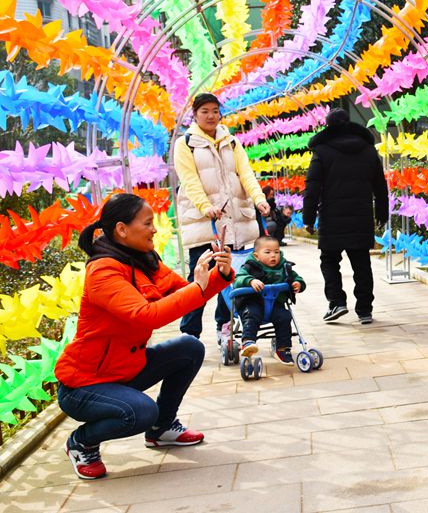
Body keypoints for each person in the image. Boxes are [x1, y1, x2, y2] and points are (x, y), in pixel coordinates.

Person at [55, 193, 234, 480]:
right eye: (148, 223)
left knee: (190, 346)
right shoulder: (103, 271)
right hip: (85, 385)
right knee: (140, 412)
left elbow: (186, 294)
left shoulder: (145, 260)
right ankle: (82, 442)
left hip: (125, 368)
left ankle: (161, 428)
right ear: (122, 229)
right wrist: (197, 286)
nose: (154, 229)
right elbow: (145, 314)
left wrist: (219, 274)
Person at [174, 93, 270, 339]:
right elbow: (189, 180)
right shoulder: (185, 144)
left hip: (235, 221)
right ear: (195, 114)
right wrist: (205, 207)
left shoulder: (232, 142)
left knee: (228, 276)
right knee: (200, 278)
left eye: (215, 111)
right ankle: (189, 333)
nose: (210, 116)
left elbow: (246, 174)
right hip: (205, 223)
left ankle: (224, 326)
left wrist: (259, 199)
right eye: (204, 111)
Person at [302, 108, 388, 325]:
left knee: (329, 261)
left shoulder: (322, 150)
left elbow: (312, 187)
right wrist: (382, 214)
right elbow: (380, 185)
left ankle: (337, 301)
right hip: (362, 216)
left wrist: (308, 218)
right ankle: (365, 310)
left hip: (332, 217)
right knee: (361, 263)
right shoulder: (368, 150)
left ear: (328, 126)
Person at [232, 236, 306, 365]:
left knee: (284, 316)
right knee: (251, 314)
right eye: (268, 252)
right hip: (253, 302)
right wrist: (250, 281)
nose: (273, 256)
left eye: (276, 252)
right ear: (256, 255)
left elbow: (296, 277)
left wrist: (297, 283)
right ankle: (248, 342)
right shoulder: (250, 267)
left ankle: (282, 349)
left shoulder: (284, 267)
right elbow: (238, 279)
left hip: (275, 304)